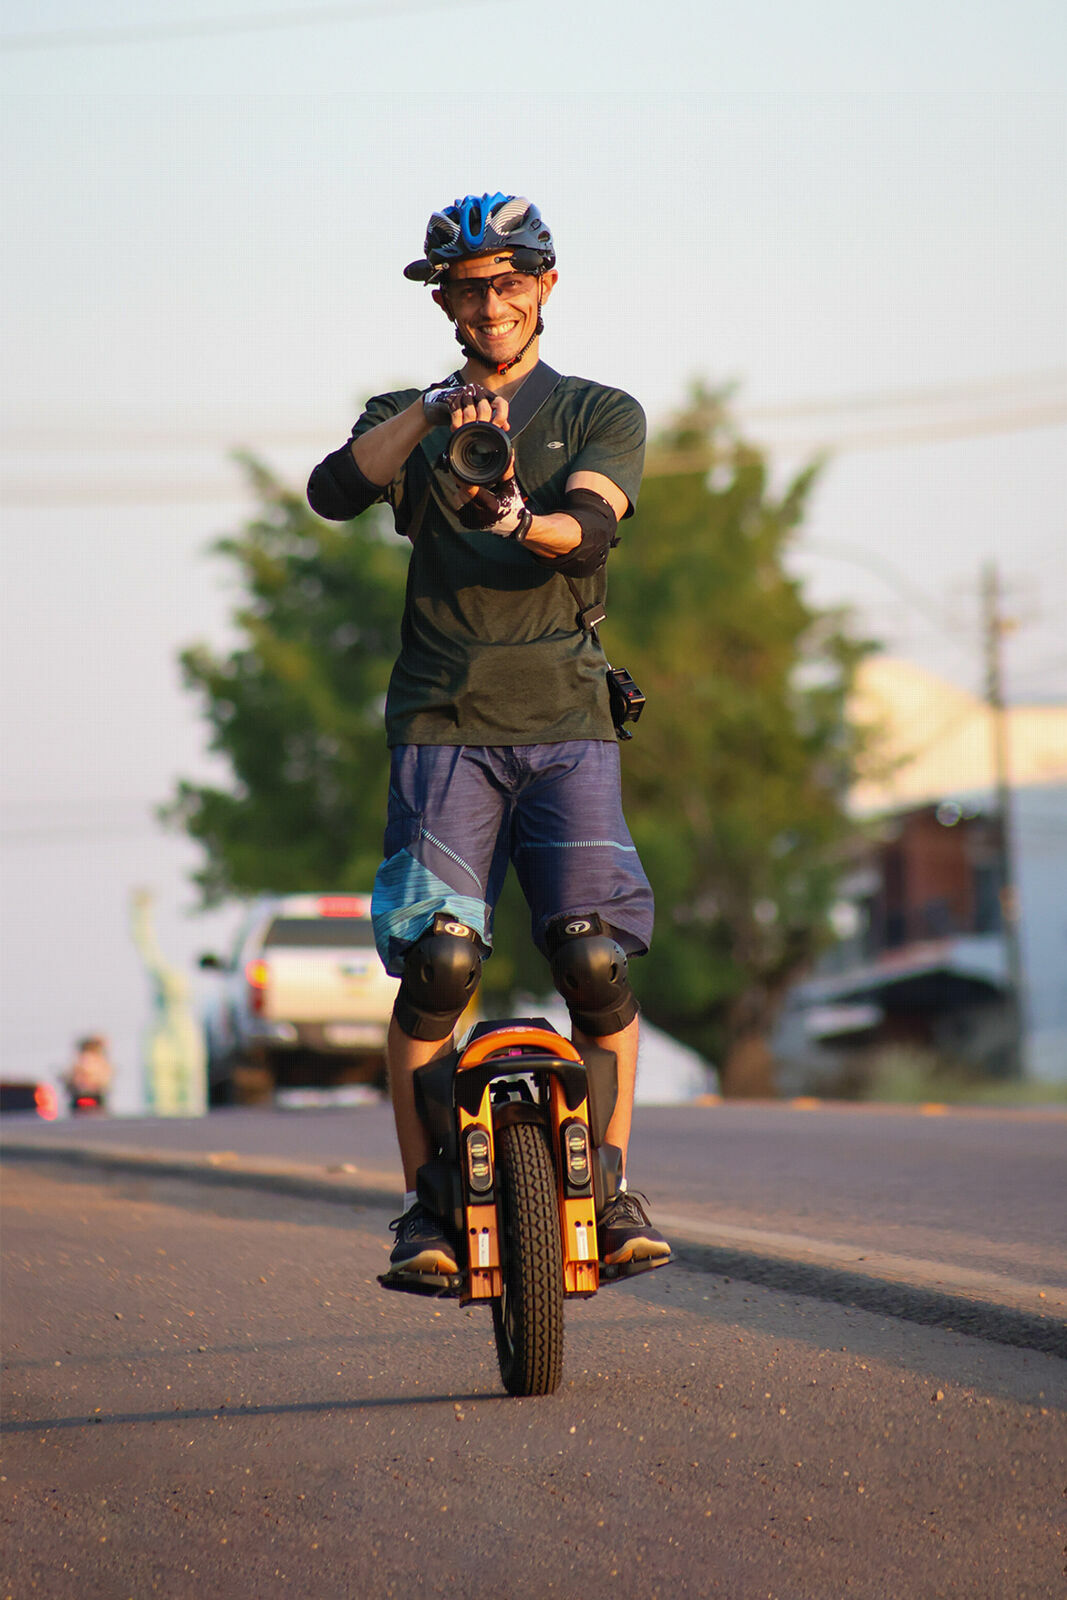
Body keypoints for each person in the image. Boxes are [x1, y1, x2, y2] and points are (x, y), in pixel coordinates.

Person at [307, 193, 670, 1281]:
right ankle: (424, 1210)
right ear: (444, 303)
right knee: (438, 964)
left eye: (510, 283)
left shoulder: (600, 410)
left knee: (594, 963)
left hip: (564, 723)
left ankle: (604, 1189)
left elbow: (591, 524)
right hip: (441, 725)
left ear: (545, 288)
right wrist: (431, 416)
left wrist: (519, 516)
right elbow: (332, 491)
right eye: (468, 288)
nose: (491, 304)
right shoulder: (409, 417)